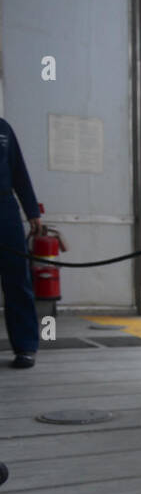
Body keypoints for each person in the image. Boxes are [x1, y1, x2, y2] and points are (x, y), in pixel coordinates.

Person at [0, 117, 43, 369]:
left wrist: (32, 212)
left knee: (18, 278)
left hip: (5, 209)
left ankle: (26, 346)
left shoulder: (3, 129)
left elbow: (19, 173)